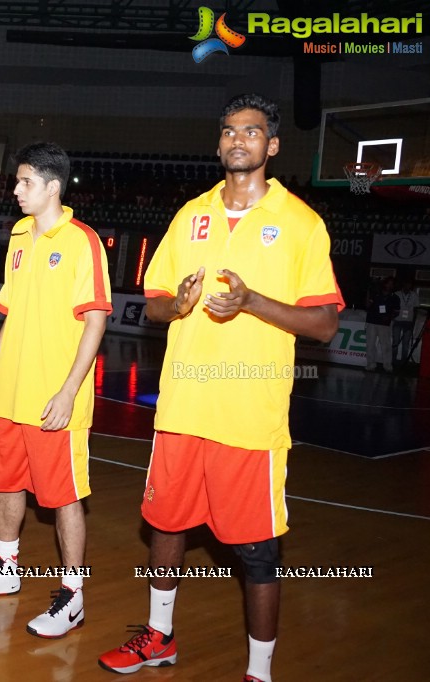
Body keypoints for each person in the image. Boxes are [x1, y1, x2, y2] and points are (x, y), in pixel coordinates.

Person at [97, 94, 342, 682]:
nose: (239, 141)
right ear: (218, 143)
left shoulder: (302, 223)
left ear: (272, 146)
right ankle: (159, 637)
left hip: (248, 418)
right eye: (229, 131)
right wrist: (174, 305)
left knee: (257, 553)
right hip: (182, 408)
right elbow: (154, 304)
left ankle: (259, 672)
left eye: (252, 132)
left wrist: (254, 301)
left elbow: (325, 322)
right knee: (166, 526)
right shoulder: (191, 215)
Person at [0, 143, 110, 638]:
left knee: (64, 498)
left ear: (52, 187)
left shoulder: (83, 240)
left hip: (52, 399)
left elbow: (96, 320)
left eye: (24, 182)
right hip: (11, 395)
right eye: (16, 182)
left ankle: (72, 595)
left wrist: (68, 391)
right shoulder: (19, 236)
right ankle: (5, 568)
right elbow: (13, 316)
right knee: (4, 482)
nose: (15, 190)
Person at [365, 277, 398, 372]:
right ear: (384, 284)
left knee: (386, 345)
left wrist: (389, 317)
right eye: (388, 283)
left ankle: (387, 366)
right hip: (372, 322)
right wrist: (368, 291)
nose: (390, 286)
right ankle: (371, 365)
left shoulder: (394, 297)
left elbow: (396, 311)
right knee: (370, 344)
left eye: (392, 284)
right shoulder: (375, 294)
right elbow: (367, 305)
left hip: (384, 324)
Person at [392, 279, 417, 365]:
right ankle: (393, 360)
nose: (408, 286)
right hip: (398, 320)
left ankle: (403, 362)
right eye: (406, 283)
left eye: (409, 284)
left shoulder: (414, 295)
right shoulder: (397, 294)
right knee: (395, 341)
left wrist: (413, 322)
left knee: (405, 343)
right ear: (403, 284)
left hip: (408, 322)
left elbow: (416, 309)